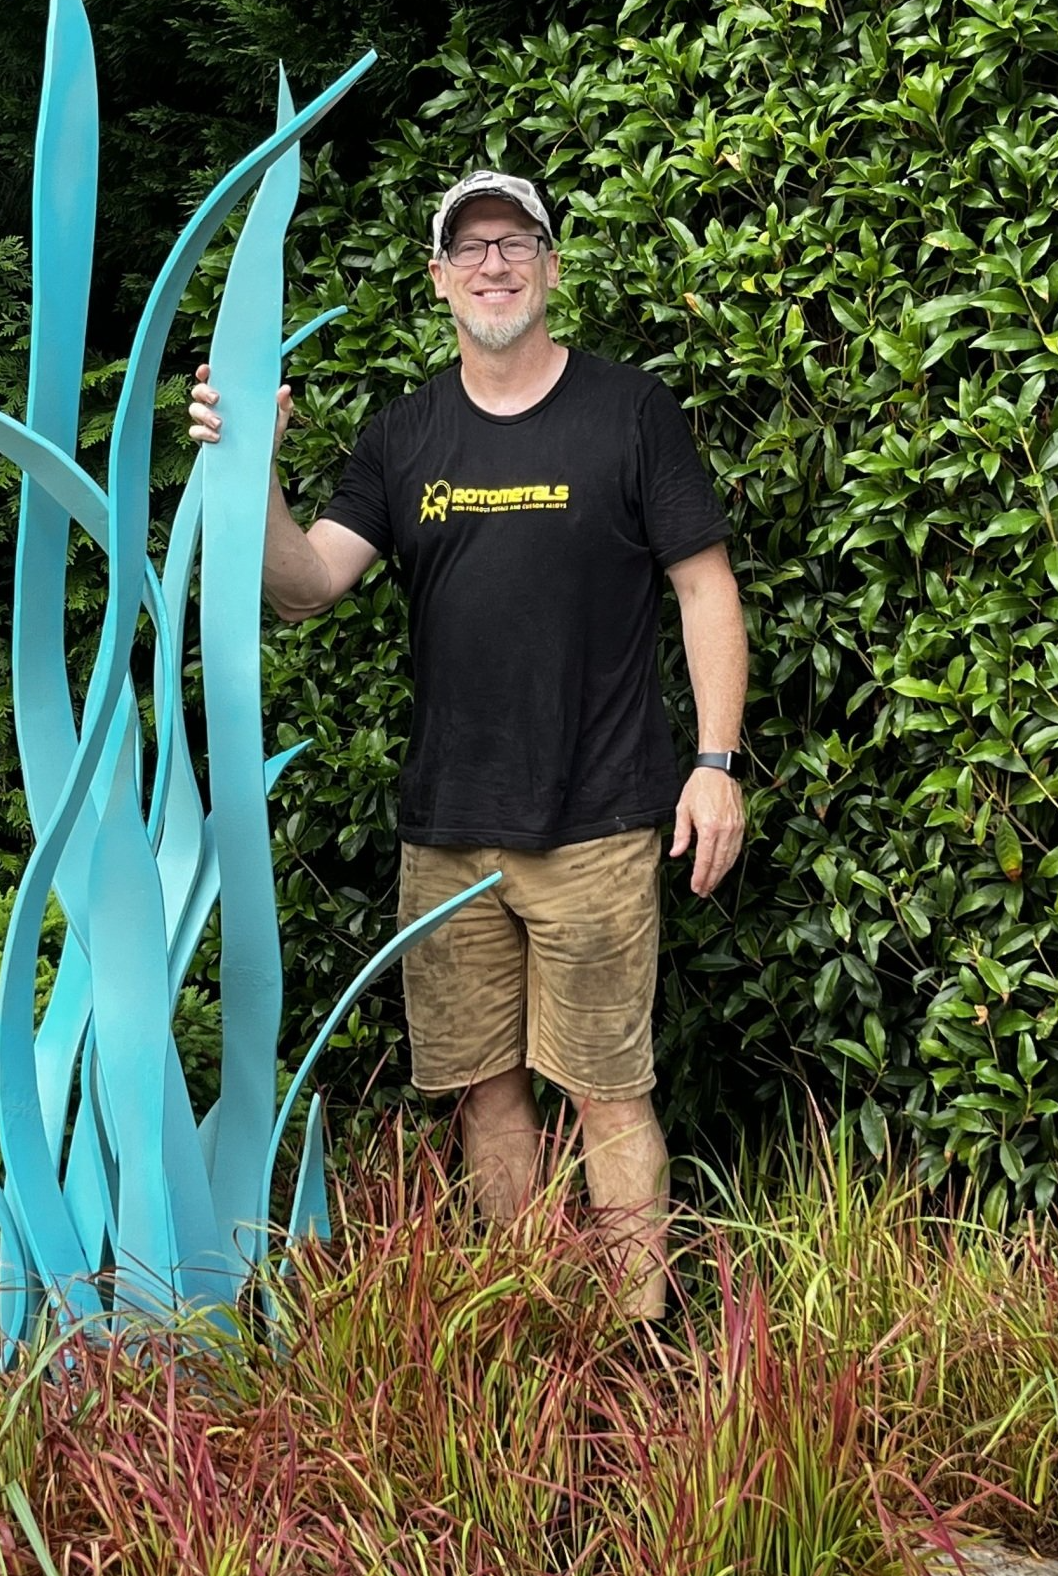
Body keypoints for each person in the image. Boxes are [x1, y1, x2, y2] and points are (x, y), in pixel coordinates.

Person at [188, 169, 747, 1316]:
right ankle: (537, 1321)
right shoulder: (405, 436)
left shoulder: (630, 412)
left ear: (550, 265)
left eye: (517, 241)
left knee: (609, 1092)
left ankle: (641, 1351)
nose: (495, 262)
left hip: (597, 820)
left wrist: (716, 762)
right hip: (447, 832)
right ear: (439, 279)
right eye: (470, 247)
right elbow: (306, 585)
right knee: (484, 1093)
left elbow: (705, 589)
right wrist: (250, 474)